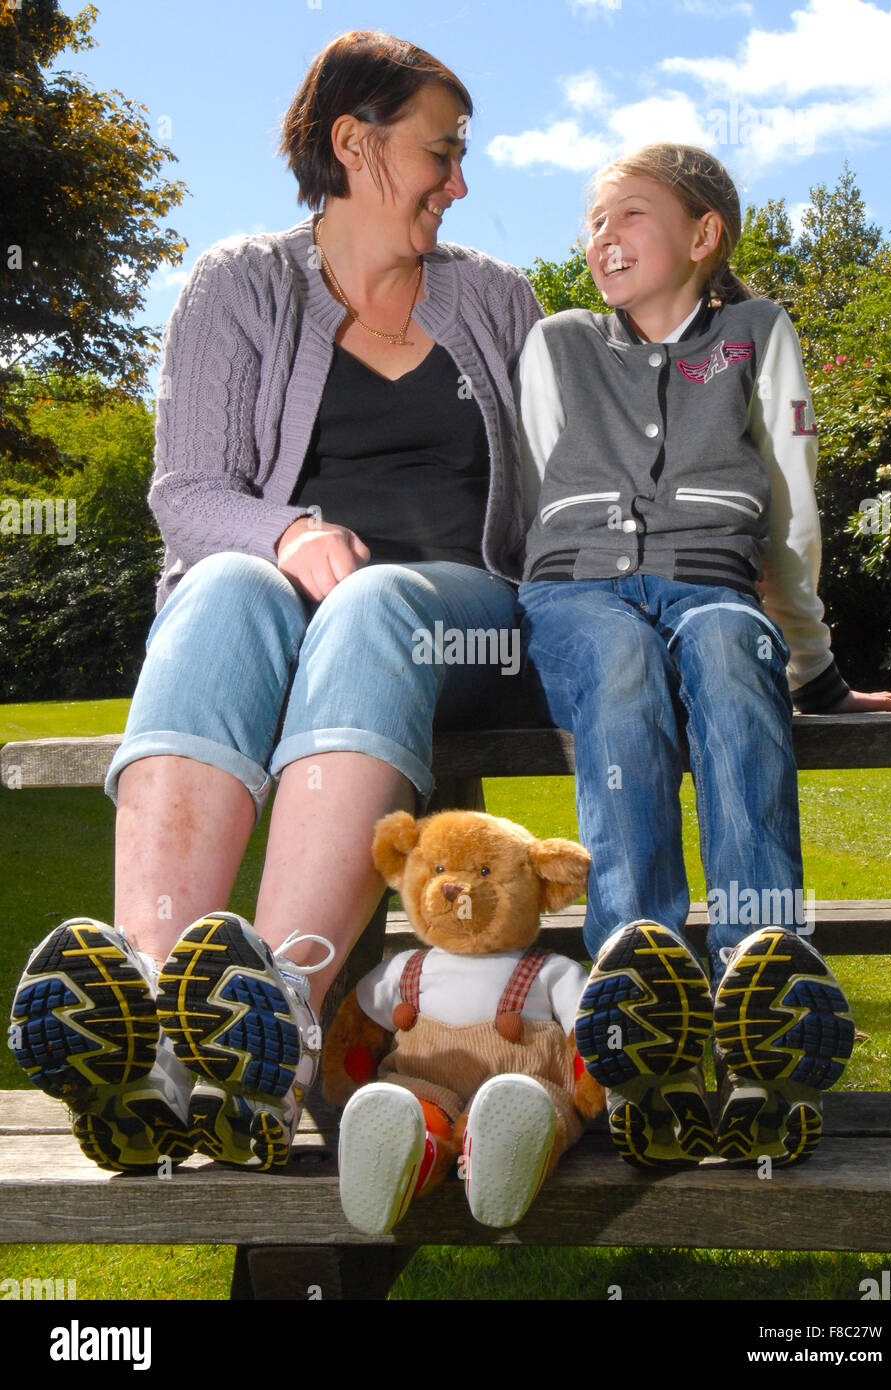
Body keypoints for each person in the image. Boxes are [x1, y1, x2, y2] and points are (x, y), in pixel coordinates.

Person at [10, 30, 541, 1172]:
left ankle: (274, 1021)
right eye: (440, 154)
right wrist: (290, 531)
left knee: (376, 602)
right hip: (295, 614)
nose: (460, 182)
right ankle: (158, 1026)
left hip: (464, 621)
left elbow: (566, 494)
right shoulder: (239, 283)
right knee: (222, 589)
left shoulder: (496, 300)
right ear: (353, 144)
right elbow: (186, 494)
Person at [515, 143, 891, 1169]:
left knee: (733, 656)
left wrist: (814, 670)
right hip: (578, 592)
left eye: (629, 216)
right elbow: (534, 493)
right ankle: (637, 988)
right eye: (592, 220)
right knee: (616, 671)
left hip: (711, 584)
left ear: (703, 236)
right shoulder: (558, 341)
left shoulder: (752, 335)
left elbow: (787, 516)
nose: (601, 237)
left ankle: (761, 991)